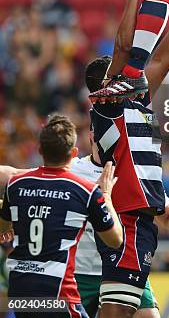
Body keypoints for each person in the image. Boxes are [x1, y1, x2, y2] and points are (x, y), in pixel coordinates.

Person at [85, 0, 169, 317]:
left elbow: (165, 56)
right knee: (116, 313)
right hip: (128, 217)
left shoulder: (137, 100)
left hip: (143, 217)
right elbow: (123, 47)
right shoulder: (107, 107)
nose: (133, 73)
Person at [0, 129, 169, 318]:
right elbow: (14, 174)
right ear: (92, 136)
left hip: (123, 268)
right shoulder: (72, 168)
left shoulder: (140, 174)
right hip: (79, 275)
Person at [0, 114, 123, 318]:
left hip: (20, 289)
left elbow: (3, 229)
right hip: (57, 291)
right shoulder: (85, 190)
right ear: (73, 153)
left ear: (40, 151)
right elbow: (115, 240)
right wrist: (107, 195)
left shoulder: (16, 185)